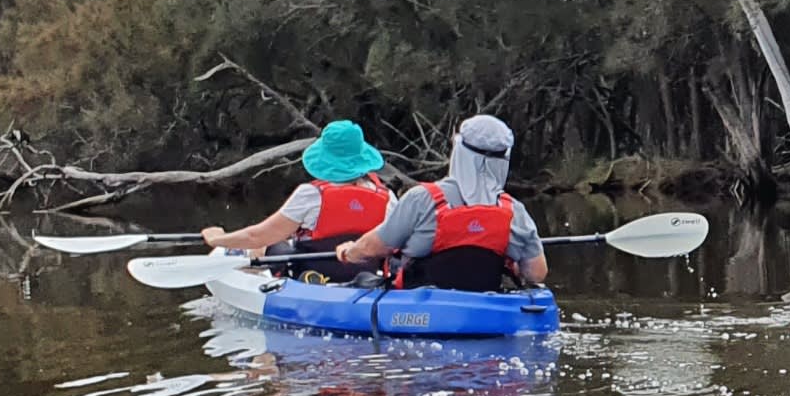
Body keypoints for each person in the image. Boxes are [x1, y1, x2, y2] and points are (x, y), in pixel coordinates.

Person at [334, 114, 549, 291]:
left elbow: (374, 247)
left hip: (421, 309)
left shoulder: (422, 199)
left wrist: (350, 252)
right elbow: (537, 273)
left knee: (364, 279)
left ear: (459, 152)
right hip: (484, 306)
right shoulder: (514, 212)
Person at [200, 119, 394, 279]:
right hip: (365, 275)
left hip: (312, 274)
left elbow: (256, 236)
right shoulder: (388, 198)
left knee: (265, 245)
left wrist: (218, 239)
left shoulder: (310, 195)